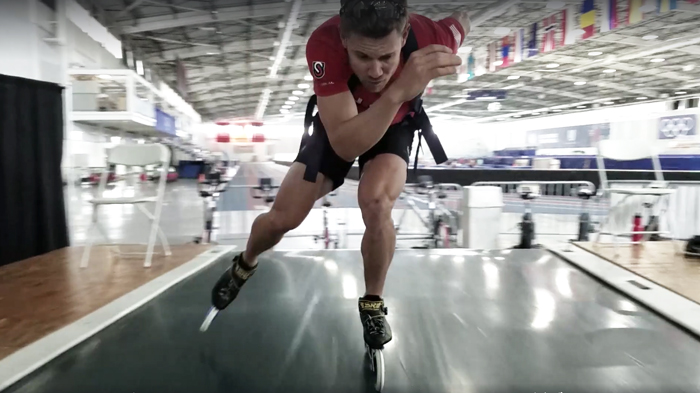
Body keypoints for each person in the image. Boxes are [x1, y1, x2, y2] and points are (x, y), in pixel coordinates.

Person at [208, 0, 470, 349]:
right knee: (282, 219)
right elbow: (345, 144)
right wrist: (397, 89)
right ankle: (244, 263)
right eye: (363, 57)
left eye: (387, 58)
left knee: (376, 202)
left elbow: (463, 20)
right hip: (341, 124)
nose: (376, 71)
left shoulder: (432, 38)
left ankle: (373, 303)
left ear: (404, 34)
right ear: (344, 39)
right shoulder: (324, 44)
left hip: (394, 127)